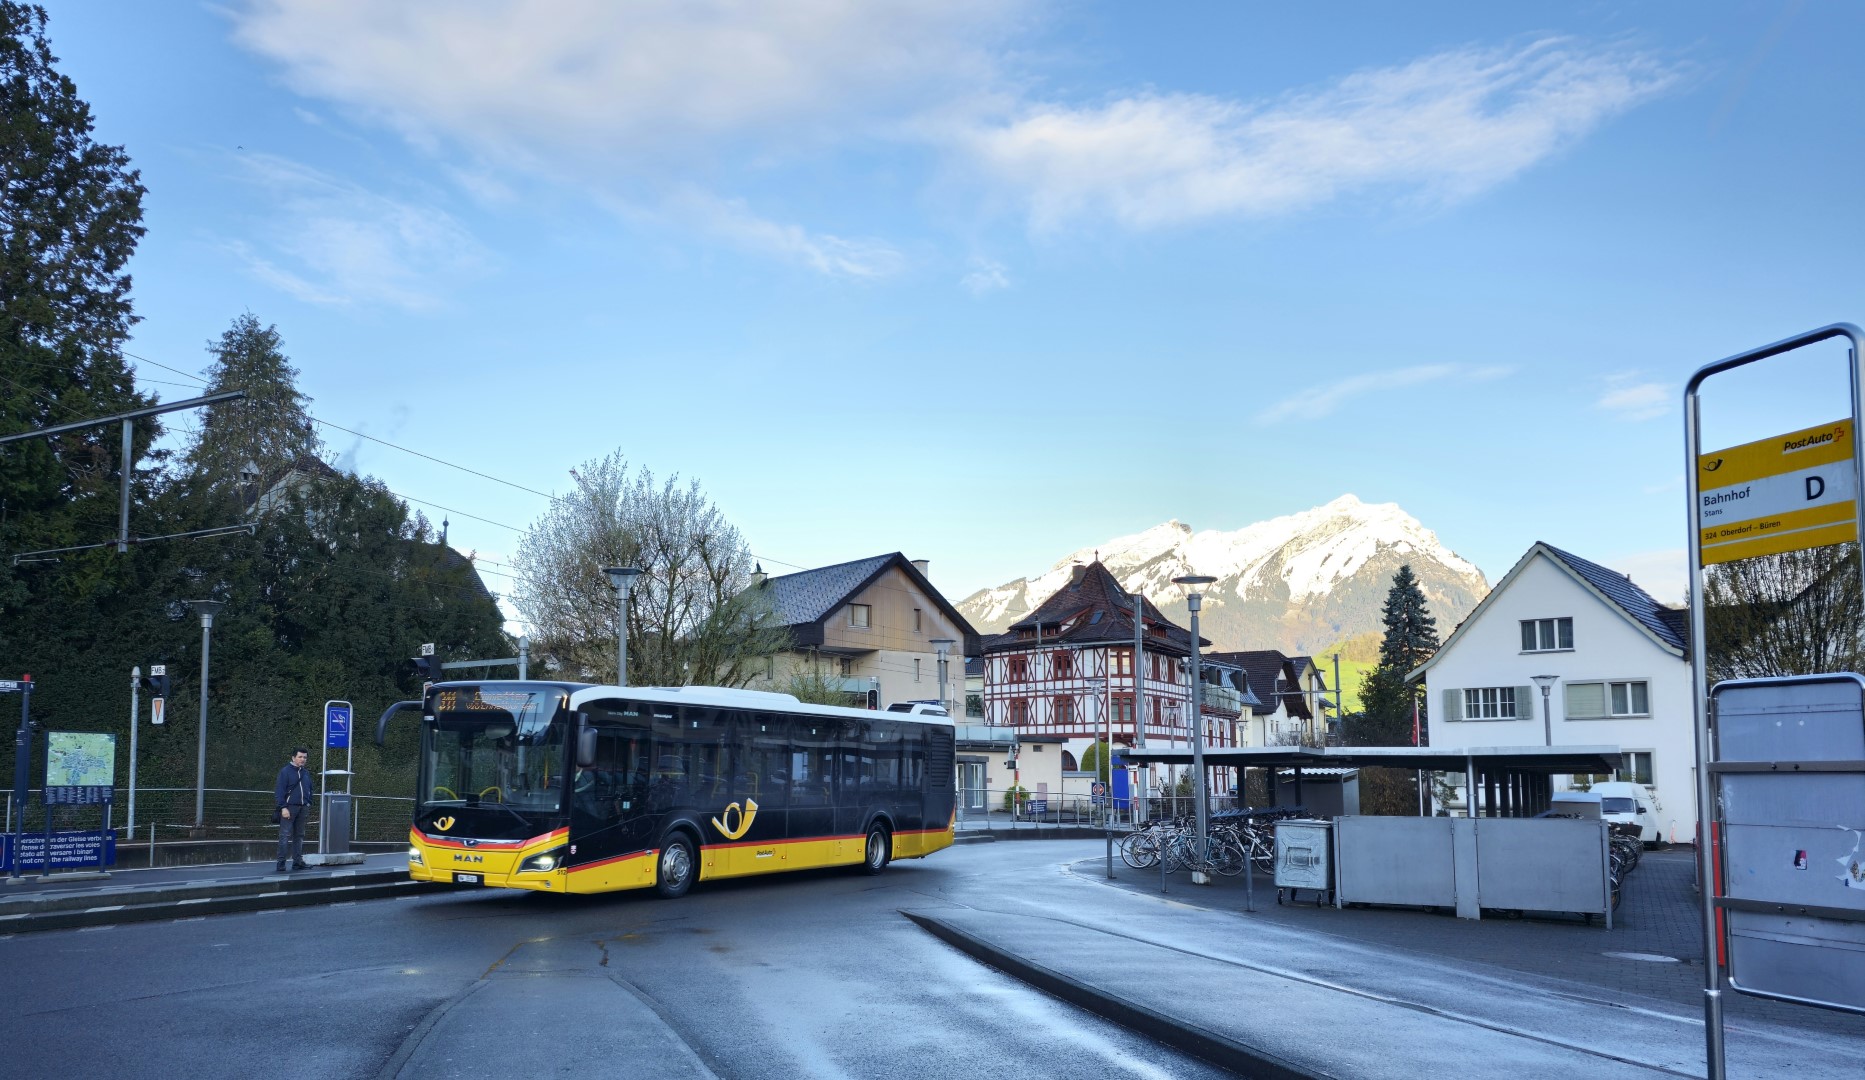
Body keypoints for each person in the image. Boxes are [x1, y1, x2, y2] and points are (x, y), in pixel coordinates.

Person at [275, 747, 314, 872]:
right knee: (284, 836)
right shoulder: (285, 772)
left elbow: (310, 789)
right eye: (300, 757)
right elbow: (279, 791)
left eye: (305, 757)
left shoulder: (305, 773)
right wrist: (283, 807)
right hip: (289, 808)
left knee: (299, 836)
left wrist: (308, 803)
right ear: (293, 758)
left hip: (303, 808)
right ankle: (281, 864)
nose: (303, 759)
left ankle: (297, 862)